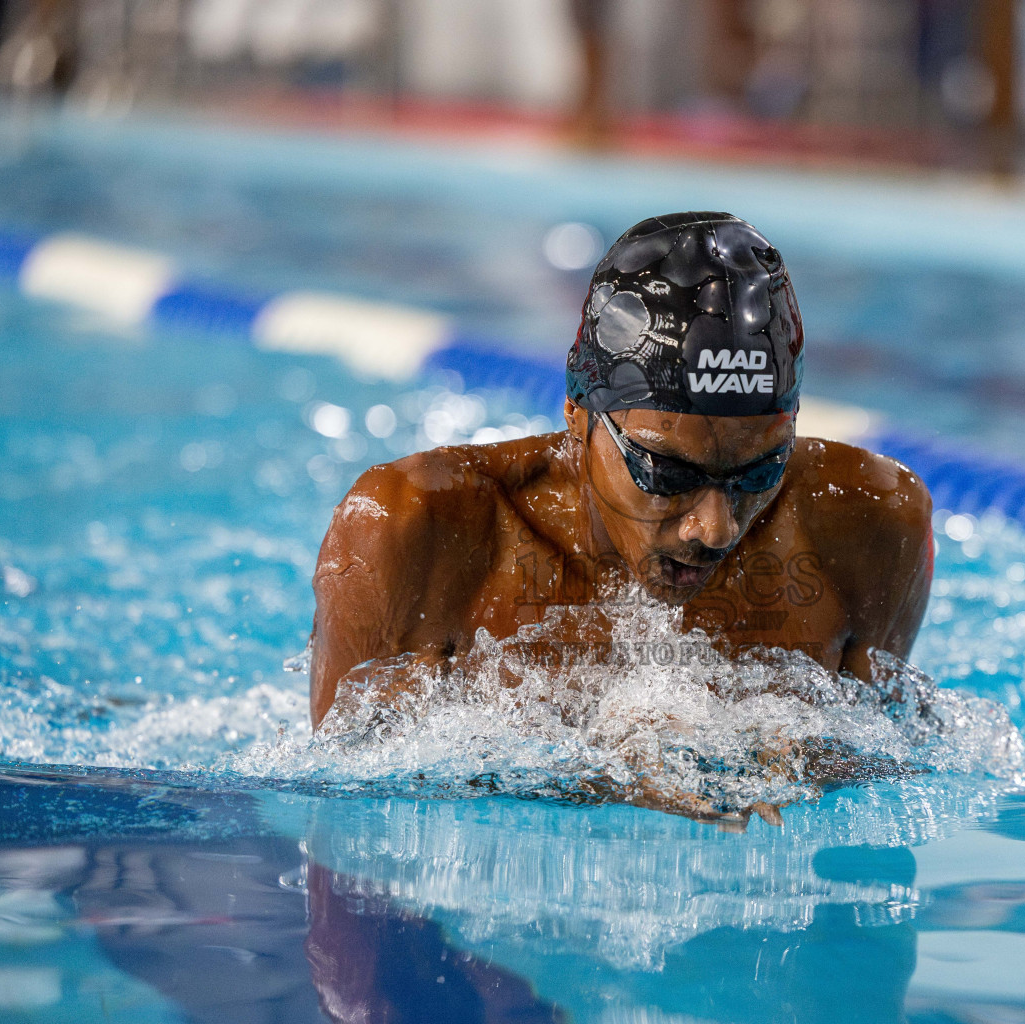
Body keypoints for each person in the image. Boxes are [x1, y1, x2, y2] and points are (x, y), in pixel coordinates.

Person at [309, 212, 933, 818]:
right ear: (578, 413)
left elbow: (894, 759)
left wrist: (819, 761)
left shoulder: (872, 524)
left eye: (759, 472)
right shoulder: (415, 529)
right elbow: (339, 795)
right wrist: (592, 777)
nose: (715, 528)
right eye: (667, 474)